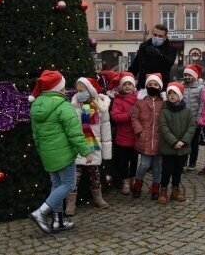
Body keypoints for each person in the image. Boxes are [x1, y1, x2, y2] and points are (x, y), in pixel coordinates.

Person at [29, 70, 93, 234]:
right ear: (59, 89)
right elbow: (74, 133)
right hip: (63, 154)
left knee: (57, 185)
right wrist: (86, 151)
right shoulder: (63, 106)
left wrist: (42, 150)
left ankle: (58, 221)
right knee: (68, 184)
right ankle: (41, 212)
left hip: (47, 154)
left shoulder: (36, 105)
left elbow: (35, 134)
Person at [64, 77, 113, 216]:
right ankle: (70, 203)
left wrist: (106, 152)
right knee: (74, 176)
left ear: (91, 91)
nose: (80, 93)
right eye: (77, 91)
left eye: (83, 91)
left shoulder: (101, 108)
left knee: (94, 174)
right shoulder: (73, 107)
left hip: (94, 147)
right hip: (78, 147)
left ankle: (98, 197)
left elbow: (105, 129)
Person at [157, 82, 196, 205]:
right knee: (167, 169)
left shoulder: (188, 111)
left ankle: (175, 190)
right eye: (170, 93)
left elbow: (191, 127)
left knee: (178, 170)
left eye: (175, 93)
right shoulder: (164, 110)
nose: (172, 95)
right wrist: (174, 141)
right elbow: (163, 127)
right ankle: (163, 191)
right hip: (168, 146)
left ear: (180, 95)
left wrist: (183, 141)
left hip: (182, 147)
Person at [130, 73, 165, 200]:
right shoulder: (140, 102)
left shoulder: (163, 103)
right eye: (150, 84)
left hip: (159, 140)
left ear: (160, 87)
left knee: (157, 166)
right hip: (144, 139)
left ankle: (156, 187)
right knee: (144, 164)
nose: (153, 87)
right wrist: (139, 131)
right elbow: (134, 117)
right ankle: (137, 184)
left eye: (155, 85)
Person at [110, 73, 139, 196]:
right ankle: (125, 181)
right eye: (125, 84)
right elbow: (115, 116)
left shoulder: (139, 98)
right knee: (123, 161)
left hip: (136, 136)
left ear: (134, 85)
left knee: (134, 160)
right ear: (121, 87)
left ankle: (133, 178)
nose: (127, 87)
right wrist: (129, 115)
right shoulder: (118, 100)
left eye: (130, 84)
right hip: (123, 136)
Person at [129, 24, 177, 90]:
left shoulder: (171, 49)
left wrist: (159, 54)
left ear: (165, 37)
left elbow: (169, 63)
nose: (157, 37)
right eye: (155, 35)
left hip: (160, 87)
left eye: (160, 36)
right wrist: (127, 78)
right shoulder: (144, 46)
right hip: (143, 86)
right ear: (152, 34)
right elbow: (135, 66)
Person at [182, 64, 205, 170]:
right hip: (184, 120)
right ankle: (183, 162)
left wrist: (198, 119)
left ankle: (192, 162)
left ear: (195, 77)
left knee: (194, 143)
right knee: (184, 141)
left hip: (195, 120)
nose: (187, 77)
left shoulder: (201, 88)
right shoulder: (181, 87)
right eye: (185, 75)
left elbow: (202, 104)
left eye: (189, 75)